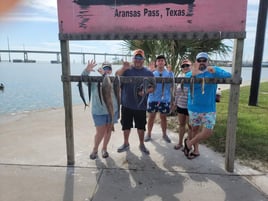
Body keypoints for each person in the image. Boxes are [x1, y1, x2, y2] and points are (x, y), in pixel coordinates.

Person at [184, 52, 231, 159]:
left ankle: (189, 143)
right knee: (194, 129)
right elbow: (184, 85)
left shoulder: (213, 70)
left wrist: (216, 71)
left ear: (207, 61)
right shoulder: (191, 73)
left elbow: (229, 76)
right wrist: (193, 74)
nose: (201, 62)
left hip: (209, 108)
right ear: (196, 62)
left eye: (203, 60)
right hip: (193, 107)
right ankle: (196, 151)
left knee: (207, 131)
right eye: (199, 60)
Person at [116, 49, 155, 155]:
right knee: (126, 126)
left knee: (141, 127)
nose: (138, 60)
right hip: (126, 104)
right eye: (136, 58)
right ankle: (125, 143)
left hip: (141, 106)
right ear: (133, 59)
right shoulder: (127, 70)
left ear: (143, 60)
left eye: (140, 58)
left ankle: (142, 144)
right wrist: (123, 68)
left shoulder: (148, 72)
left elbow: (153, 88)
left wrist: (145, 91)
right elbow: (116, 76)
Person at [81, 60, 119, 160]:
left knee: (109, 130)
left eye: (108, 69)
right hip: (98, 111)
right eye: (104, 68)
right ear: (101, 69)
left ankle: (104, 148)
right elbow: (84, 80)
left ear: (111, 71)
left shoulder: (114, 80)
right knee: (100, 132)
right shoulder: (95, 81)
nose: (106, 71)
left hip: (112, 111)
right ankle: (95, 149)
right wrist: (87, 70)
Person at [145, 55, 174, 143]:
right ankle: (148, 134)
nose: (160, 62)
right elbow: (147, 85)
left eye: (162, 60)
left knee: (163, 118)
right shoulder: (152, 73)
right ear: (156, 63)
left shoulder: (169, 73)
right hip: (153, 99)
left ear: (165, 62)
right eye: (159, 61)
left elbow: (172, 86)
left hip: (165, 100)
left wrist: (173, 101)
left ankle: (164, 134)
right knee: (151, 117)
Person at [173, 59, 192, 150]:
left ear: (191, 66)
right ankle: (180, 143)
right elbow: (177, 93)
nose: (185, 67)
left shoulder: (195, 77)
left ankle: (188, 144)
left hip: (190, 106)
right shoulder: (180, 78)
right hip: (181, 105)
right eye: (183, 66)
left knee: (190, 126)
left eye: (187, 65)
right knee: (181, 125)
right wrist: (175, 103)